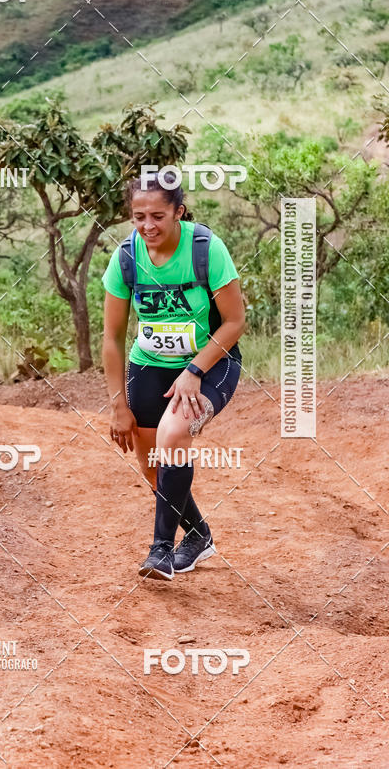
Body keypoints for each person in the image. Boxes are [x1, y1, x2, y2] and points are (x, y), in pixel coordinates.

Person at [101, 172, 246, 580]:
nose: (148, 226)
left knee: (172, 437)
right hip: (148, 365)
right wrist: (118, 406)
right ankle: (198, 536)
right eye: (138, 217)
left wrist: (194, 371)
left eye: (158, 216)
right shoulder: (127, 258)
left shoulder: (206, 250)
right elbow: (111, 337)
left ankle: (161, 550)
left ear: (178, 212)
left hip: (211, 363)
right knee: (151, 465)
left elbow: (235, 321)